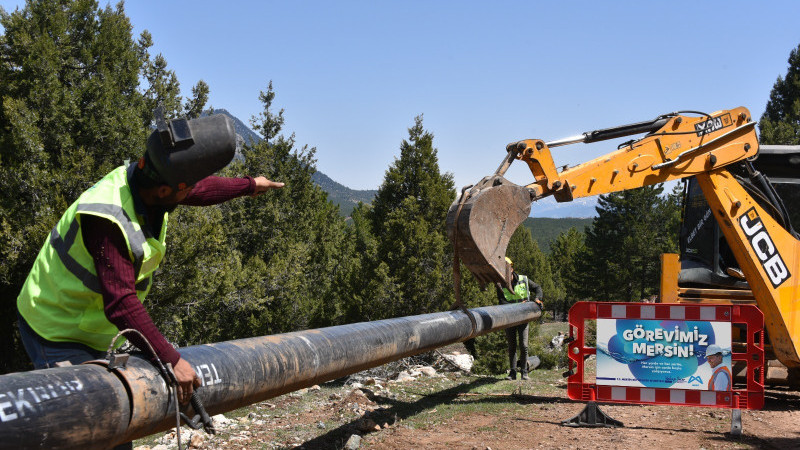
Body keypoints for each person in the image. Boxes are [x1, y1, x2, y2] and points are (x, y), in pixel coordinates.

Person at [16, 112, 283, 407]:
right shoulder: (108, 219)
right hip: (54, 328)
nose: (192, 190)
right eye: (186, 188)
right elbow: (120, 303)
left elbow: (199, 190)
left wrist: (249, 185)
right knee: (90, 415)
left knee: (115, 425)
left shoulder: (151, 181)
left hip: (91, 329)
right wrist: (171, 358)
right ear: (167, 190)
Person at [495, 257, 543, 380]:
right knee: (512, 346)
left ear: (512, 268)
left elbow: (538, 288)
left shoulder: (524, 280)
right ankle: (512, 373)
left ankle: (524, 372)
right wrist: (518, 306)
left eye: (507, 268)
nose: (505, 271)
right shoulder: (500, 284)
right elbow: (502, 302)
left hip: (523, 318)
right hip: (509, 319)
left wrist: (537, 298)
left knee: (523, 345)